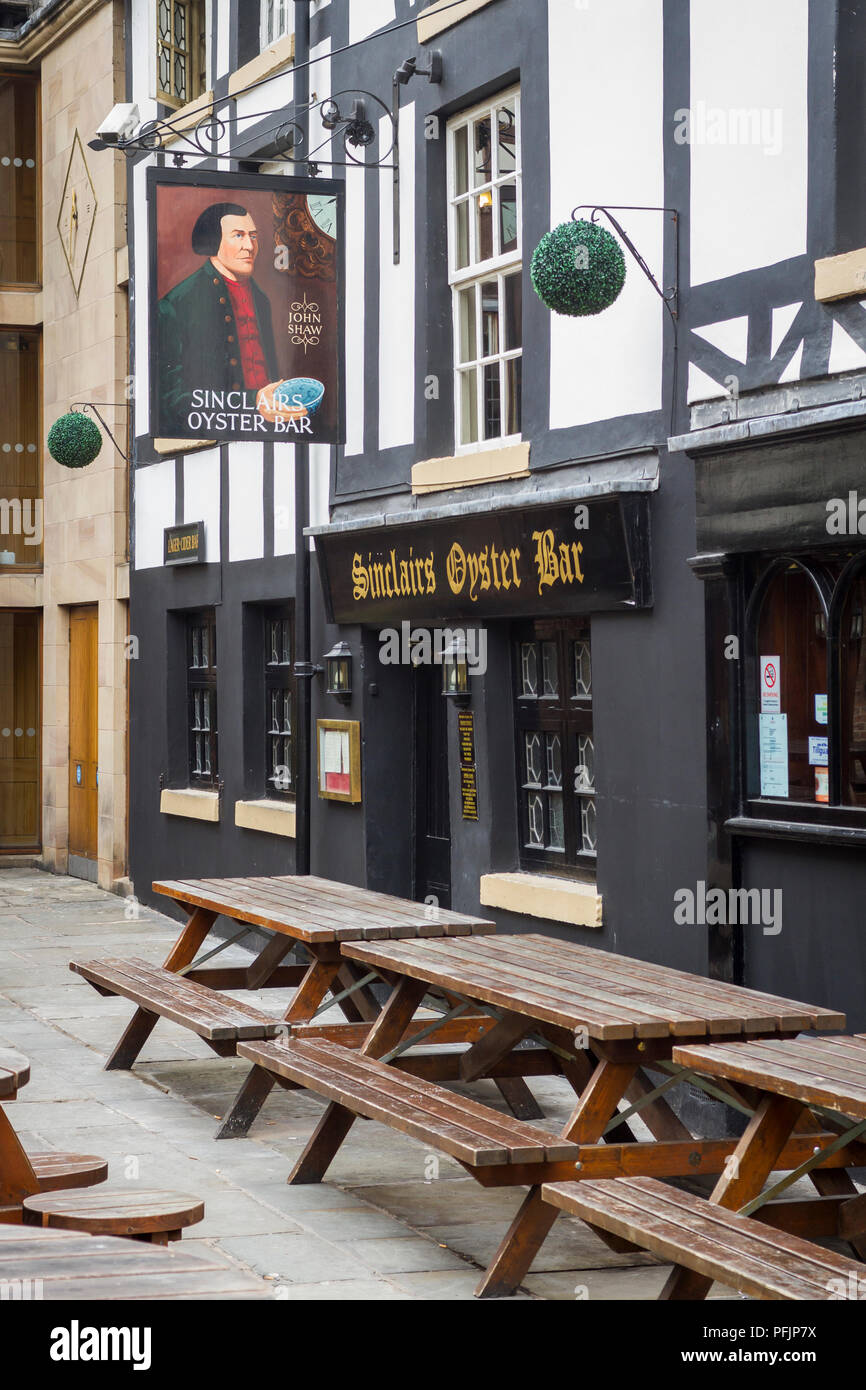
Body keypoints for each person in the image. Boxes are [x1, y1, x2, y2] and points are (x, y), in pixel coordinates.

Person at [157, 202, 281, 434]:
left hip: (268, 428)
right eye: (238, 235)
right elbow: (172, 399)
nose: (249, 246)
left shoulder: (261, 299)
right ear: (213, 242)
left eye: (253, 236)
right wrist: (252, 401)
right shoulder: (177, 303)